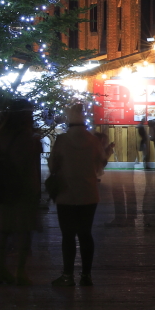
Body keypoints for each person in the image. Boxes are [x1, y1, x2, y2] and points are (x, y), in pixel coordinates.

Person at [48, 104, 106, 287]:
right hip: (88, 193)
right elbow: (100, 165)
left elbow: (52, 165)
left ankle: (67, 275)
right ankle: (86, 275)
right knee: (85, 234)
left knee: (68, 235)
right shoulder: (94, 140)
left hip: (66, 192)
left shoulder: (62, 140)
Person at [0, 101, 42, 285]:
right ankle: (20, 271)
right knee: (24, 231)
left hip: (3, 188)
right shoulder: (27, 138)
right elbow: (28, 167)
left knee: (4, 230)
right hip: (23, 189)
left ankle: (0, 268)